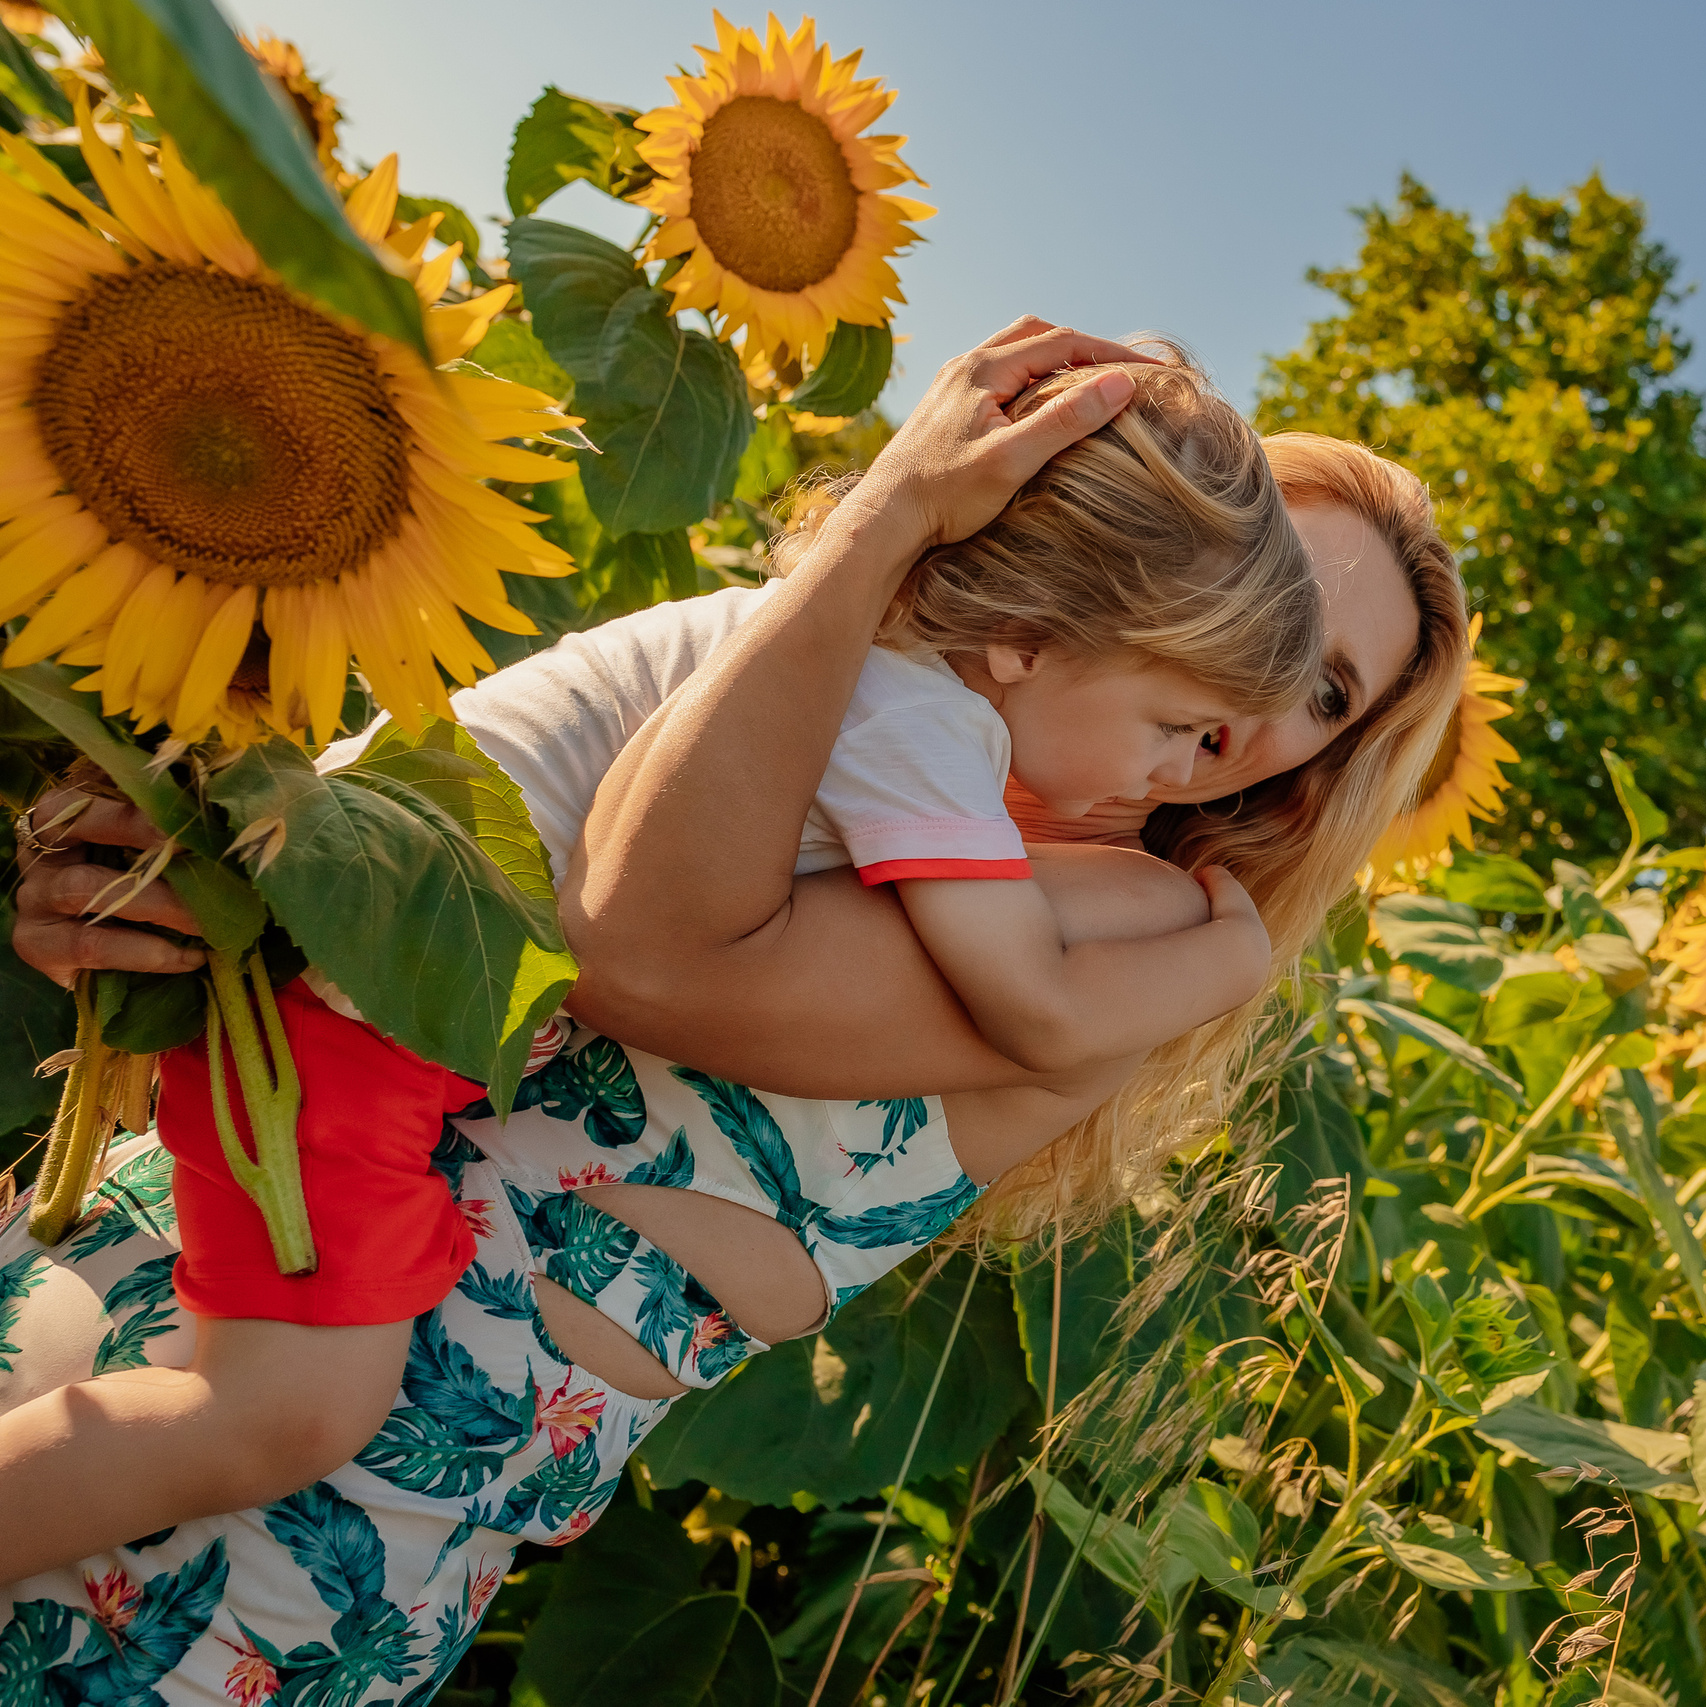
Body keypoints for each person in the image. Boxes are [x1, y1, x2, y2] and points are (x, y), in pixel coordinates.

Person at [0, 318, 1467, 1700]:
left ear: (1330, 770)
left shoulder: (1117, 918)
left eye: (1323, 689)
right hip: (131, 1286)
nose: (1252, 690)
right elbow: (436, 871)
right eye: (1265, 585)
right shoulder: (843, 705)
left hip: (281, 1527)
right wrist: (167, 903)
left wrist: (880, 534)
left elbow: (638, 949)